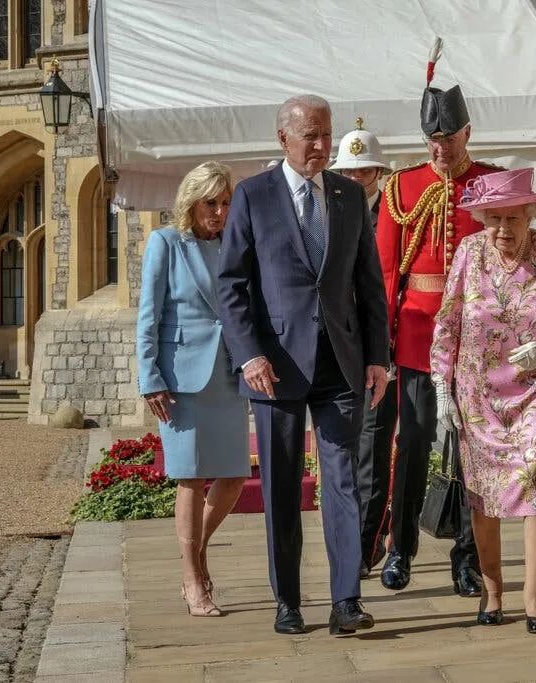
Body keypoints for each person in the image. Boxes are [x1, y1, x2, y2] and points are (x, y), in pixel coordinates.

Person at [216, 95, 390, 636]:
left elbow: (369, 283)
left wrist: (379, 356)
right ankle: (287, 601)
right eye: (311, 136)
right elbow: (232, 286)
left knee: (341, 481)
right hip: (276, 368)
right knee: (284, 485)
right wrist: (248, 354)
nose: (321, 146)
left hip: (341, 364)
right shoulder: (252, 196)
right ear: (283, 139)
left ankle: (345, 602)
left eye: (326, 135)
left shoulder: (348, 196)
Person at [430, 167, 536, 634]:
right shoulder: (468, 253)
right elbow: (448, 324)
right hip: (477, 392)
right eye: (494, 218)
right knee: (483, 495)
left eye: (513, 218)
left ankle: (535, 595)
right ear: (482, 218)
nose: (504, 228)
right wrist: (442, 387)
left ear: (530, 214)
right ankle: (492, 590)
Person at [374, 68, 499, 597]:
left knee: (474, 450)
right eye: (433, 139)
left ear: (467, 132)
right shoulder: (402, 187)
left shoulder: (491, 183)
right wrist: (382, 340)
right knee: (416, 441)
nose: (441, 148)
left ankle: (467, 560)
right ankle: (400, 549)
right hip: (419, 336)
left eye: (449, 137)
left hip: (477, 335)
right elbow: (384, 269)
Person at [136, 161, 250, 617]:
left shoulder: (233, 246)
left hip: (228, 373)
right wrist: (150, 378)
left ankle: (196, 551)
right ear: (191, 202)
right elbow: (149, 314)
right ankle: (191, 579)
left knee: (236, 474)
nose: (220, 212)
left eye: (226, 203)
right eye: (212, 203)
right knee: (190, 475)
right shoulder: (165, 242)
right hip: (180, 379)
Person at [330, 118, 394, 578]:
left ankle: (366, 544)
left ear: (378, 173)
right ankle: (350, 537)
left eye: (365, 171)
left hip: (378, 345)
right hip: (334, 346)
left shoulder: (395, 213)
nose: (356, 179)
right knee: (340, 452)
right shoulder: (325, 209)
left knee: (372, 446)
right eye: (350, 172)